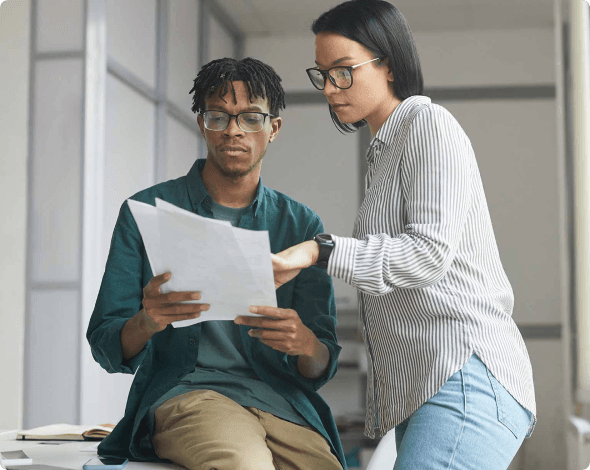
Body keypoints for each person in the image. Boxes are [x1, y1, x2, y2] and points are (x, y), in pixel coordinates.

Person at [270, 1, 536, 469]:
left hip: (465, 373)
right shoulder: (385, 150)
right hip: (431, 389)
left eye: (343, 71)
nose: (330, 88)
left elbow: (428, 252)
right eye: (322, 74)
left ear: (388, 63)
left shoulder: (427, 126)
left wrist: (319, 249)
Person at [87, 57, 345, 470]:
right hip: (188, 393)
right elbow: (106, 343)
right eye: (218, 117)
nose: (234, 131)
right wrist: (149, 319)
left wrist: (305, 344)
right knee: (245, 465)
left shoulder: (301, 225)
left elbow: (321, 360)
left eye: (250, 118)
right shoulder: (145, 211)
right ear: (200, 122)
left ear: (273, 128)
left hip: (278, 399)